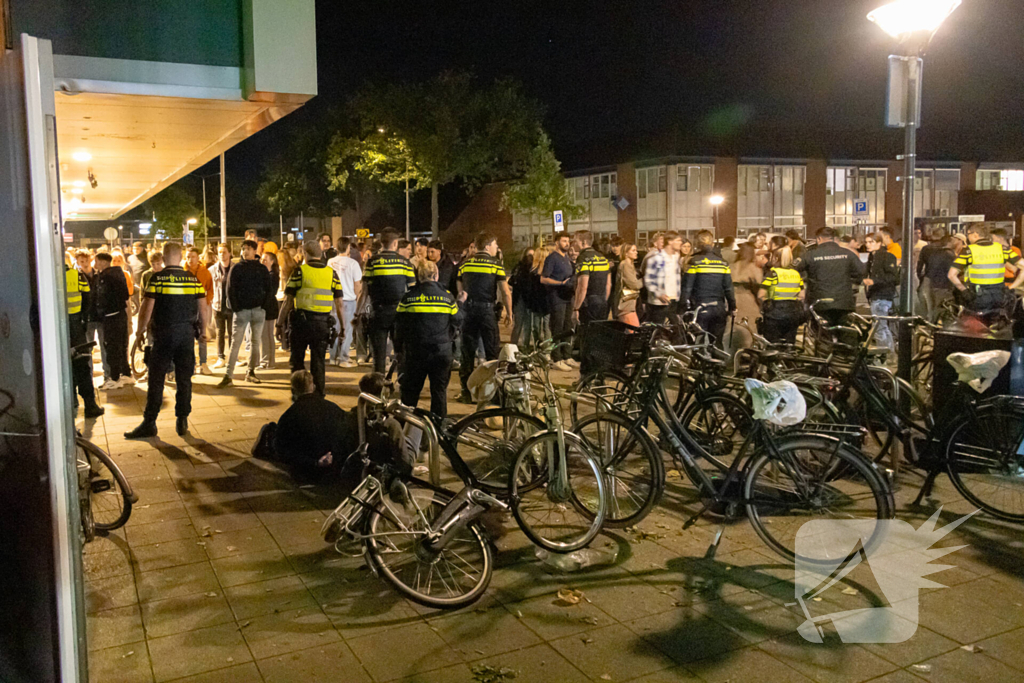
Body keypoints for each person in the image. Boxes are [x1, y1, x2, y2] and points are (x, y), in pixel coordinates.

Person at [125, 242, 211, 439]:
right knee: (184, 378)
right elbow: (203, 306)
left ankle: (150, 422)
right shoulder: (192, 279)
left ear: (163, 258)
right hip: (186, 334)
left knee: (156, 379)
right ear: (180, 257)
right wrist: (203, 330)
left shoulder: (158, 278)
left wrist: (139, 334)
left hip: (163, 334)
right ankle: (182, 420)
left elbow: (147, 308)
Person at [277, 241, 346, 395]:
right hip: (322, 325)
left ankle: (299, 394)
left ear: (305, 254)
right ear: (321, 254)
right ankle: (319, 395)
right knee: (319, 363)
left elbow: (288, 301)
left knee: (297, 362)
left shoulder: (299, 272)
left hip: (301, 323)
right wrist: (343, 327)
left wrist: (279, 324)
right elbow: (339, 304)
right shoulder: (331, 273)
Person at [395, 261, 461, 417]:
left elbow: (399, 326)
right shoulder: (447, 297)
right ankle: (438, 430)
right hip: (441, 351)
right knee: (439, 392)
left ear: (418, 276)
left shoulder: (408, 298)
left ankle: (406, 428)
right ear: (436, 275)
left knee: (410, 394)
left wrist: (398, 350)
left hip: (416, 352)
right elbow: (458, 320)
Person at [457, 233, 512, 402]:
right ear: (487, 246)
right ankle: (495, 394)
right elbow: (505, 291)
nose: (497, 248)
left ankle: (466, 392)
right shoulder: (496, 264)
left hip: (469, 312)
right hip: (487, 311)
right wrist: (509, 313)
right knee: (492, 353)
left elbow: (459, 287)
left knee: (467, 352)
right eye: (495, 244)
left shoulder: (465, 264)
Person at [360, 228, 415, 374]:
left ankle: (377, 389)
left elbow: (364, 291)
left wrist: (357, 312)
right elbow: (412, 290)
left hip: (378, 312)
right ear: (395, 243)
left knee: (379, 355)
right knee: (400, 353)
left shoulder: (372, 262)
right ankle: (402, 386)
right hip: (400, 313)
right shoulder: (404, 262)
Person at [218, 240, 271, 386]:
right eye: (243, 249)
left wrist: (263, 306)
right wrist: (236, 308)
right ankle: (229, 375)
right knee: (236, 342)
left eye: (248, 249)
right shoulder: (237, 268)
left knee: (255, 343)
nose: (245, 251)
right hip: (242, 311)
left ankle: (251, 371)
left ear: (255, 251)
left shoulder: (261, 269)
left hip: (258, 310)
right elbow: (230, 289)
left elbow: (268, 288)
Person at [794, 227, 866, 327]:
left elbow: (793, 270)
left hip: (819, 303)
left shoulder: (810, 255)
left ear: (818, 239)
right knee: (845, 334)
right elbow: (861, 272)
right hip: (844, 303)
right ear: (833, 238)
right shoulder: (848, 254)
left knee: (823, 336)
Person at [949, 223, 1024, 317]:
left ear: (975, 234)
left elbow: (951, 275)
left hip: (978, 296)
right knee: (998, 323)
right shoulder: (1002, 248)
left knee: (976, 325)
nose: (968, 238)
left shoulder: (969, 251)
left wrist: (964, 291)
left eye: (968, 234)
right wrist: (1012, 287)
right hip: (1000, 295)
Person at [682, 230, 736, 348]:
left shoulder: (694, 262)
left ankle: (699, 365)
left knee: (698, 343)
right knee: (717, 342)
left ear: (697, 244)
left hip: (699, 308)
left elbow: (687, 287)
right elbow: (728, 288)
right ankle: (718, 364)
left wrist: (681, 307)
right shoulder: (723, 263)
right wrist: (733, 307)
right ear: (712, 244)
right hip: (719, 308)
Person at [65, 264, 104, 418]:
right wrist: (83, 319)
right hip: (75, 324)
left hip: (54, 325)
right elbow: (88, 297)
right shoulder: (77, 275)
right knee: (81, 363)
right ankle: (90, 405)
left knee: (63, 365)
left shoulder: (45, 274)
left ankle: (72, 400)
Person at [93, 253, 133, 389]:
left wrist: (99, 311)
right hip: (120, 314)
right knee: (122, 346)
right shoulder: (119, 274)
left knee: (112, 347)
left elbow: (102, 298)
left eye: (96, 261)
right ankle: (126, 374)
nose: (95, 263)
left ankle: (114, 378)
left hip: (110, 317)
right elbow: (126, 295)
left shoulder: (105, 277)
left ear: (103, 262)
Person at [539, 234, 574, 369]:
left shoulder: (567, 258)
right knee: (557, 328)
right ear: (557, 242)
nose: (567, 243)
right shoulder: (552, 258)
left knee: (567, 326)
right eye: (564, 241)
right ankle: (556, 358)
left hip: (567, 297)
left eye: (568, 241)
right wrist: (560, 283)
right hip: (556, 298)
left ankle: (567, 356)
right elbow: (543, 279)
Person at [327, 237, 362, 367]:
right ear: (348, 248)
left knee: (334, 329)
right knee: (347, 331)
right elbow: (357, 284)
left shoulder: (330, 262)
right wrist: (357, 297)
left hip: (333, 300)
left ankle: (333, 357)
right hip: (348, 300)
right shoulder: (353, 264)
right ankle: (343, 358)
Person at [757, 251, 805, 345]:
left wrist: (765, 306)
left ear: (776, 259)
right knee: (789, 345)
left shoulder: (772, 274)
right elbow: (802, 296)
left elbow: (761, 295)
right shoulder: (796, 274)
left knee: (773, 345)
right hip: (793, 313)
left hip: (774, 313)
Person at [863, 233, 900, 351]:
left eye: (871, 242)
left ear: (879, 243)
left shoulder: (887, 257)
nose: (868, 245)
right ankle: (889, 352)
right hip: (876, 295)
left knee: (879, 327)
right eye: (866, 242)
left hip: (882, 295)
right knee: (881, 326)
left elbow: (893, 278)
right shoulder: (872, 257)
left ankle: (884, 353)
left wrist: (874, 281)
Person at [571, 230, 612, 328]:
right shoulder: (602, 257)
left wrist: (576, 309)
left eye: (575, 241)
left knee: (585, 336)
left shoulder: (583, 258)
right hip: (602, 302)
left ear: (583, 242)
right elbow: (608, 284)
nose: (573, 244)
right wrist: (603, 300)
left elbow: (582, 286)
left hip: (588, 304)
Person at [184, 247, 215, 375]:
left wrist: (205, 302)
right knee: (188, 338)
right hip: (185, 309)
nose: (190, 259)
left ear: (198, 258)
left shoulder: (205, 272)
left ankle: (203, 363)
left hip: (201, 309)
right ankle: (191, 364)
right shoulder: (182, 272)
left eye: (193, 256)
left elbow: (210, 290)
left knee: (202, 336)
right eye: (188, 257)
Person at [728, 242, 763, 351]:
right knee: (750, 326)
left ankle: (732, 351)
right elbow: (759, 285)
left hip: (732, 298)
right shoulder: (754, 268)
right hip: (747, 299)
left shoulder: (731, 266)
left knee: (732, 325)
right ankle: (748, 351)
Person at [643, 231, 682, 325]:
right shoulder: (656, 258)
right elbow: (648, 279)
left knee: (677, 330)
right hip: (659, 302)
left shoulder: (676, 257)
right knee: (657, 330)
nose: (681, 242)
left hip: (672, 300)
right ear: (670, 242)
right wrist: (659, 294)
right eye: (678, 240)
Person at [916, 228, 956, 322]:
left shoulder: (926, 248)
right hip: (944, 282)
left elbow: (920, 266)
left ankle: (930, 324)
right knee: (942, 307)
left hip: (928, 278)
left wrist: (921, 279)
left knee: (929, 305)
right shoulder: (948, 253)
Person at [208, 244, 234, 369]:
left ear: (229, 253)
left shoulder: (235, 268)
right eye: (219, 252)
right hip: (218, 305)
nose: (222, 254)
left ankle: (233, 357)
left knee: (232, 332)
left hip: (231, 306)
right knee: (220, 333)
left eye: (224, 252)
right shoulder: (212, 269)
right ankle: (220, 357)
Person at [509, 247, 535, 348]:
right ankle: (513, 346)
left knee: (528, 325)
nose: (530, 258)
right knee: (518, 324)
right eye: (528, 256)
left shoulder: (534, 268)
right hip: (520, 299)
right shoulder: (519, 268)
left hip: (529, 299)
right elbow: (511, 281)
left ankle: (526, 346)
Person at [613, 242, 643, 326]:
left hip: (628, 305)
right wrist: (646, 279)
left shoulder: (629, 264)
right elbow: (634, 284)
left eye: (636, 250)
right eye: (633, 250)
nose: (636, 252)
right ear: (626, 253)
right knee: (633, 331)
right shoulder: (625, 264)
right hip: (625, 305)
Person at [259, 251, 280, 369]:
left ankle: (266, 361)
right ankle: (269, 361)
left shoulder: (271, 276)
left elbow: (268, 293)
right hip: (269, 307)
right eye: (261, 259)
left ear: (272, 262)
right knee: (267, 335)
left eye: (265, 259)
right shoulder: (270, 274)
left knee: (266, 335)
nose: (262, 261)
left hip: (267, 308)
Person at [126, 242, 149, 316]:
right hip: (133, 283)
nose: (136, 250)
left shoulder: (146, 257)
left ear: (142, 249)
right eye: (134, 248)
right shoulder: (130, 258)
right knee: (135, 301)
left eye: (137, 248)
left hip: (143, 283)